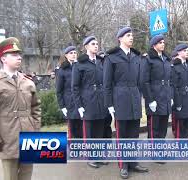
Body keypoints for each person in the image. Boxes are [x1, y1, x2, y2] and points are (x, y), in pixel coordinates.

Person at [103, 27, 148, 179]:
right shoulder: (111, 58)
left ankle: (133, 162)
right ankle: (123, 165)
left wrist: (140, 95)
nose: (131, 38)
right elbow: (107, 83)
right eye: (128, 36)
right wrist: (109, 104)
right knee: (122, 134)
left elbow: (139, 80)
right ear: (120, 38)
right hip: (120, 99)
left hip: (134, 98)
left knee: (134, 134)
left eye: (132, 35)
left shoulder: (136, 57)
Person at [0, 37, 41, 180]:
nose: (19, 58)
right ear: (3, 59)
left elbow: (36, 108)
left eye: (19, 54)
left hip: (28, 138)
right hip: (7, 139)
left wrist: (35, 130)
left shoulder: (27, 82)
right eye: (14, 55)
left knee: (26, 176)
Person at [72, 36, 112, 168]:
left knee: (100, 129)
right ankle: (90, 157)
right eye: (93, 44)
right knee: (90, 131)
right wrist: (79, 106)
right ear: (86, 47)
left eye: (97, 44)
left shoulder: (101, 62)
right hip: (88, 100)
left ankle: (99, 156)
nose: (96, 46)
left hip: (101, 100)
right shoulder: (79, 64)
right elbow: (75, 87)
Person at [143, 34, 173, 141]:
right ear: (154, 45)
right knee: (154, 126)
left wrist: (171, 96)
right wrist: (150, 100)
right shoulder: (148, 59)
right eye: (160, 43)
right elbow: (145, 81)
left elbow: (170, 80)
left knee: (163, 126)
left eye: (163, 42)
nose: (163, 44)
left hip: (165, 97)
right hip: (155, 97)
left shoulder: (166, 59)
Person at [171, 44, 188, 139]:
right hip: (181, 98)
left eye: (187, 50)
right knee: (180, 126)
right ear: (178, 52)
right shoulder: (174, 66)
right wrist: (177, 103)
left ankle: (185, 141)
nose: (187, 52)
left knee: (187, 124)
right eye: (184, 51)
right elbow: (173, 86)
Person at [56, 46, 82, 138]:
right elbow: (59, 90)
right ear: (66, 55)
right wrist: (62, 106)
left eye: (75, 53)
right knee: (73, 129)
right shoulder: (62, 70)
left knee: (83, 129)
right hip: (69, 103)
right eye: (71, 53)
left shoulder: (80, 67)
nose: (73, 55)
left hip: (81, 101)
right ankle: (73, 150)